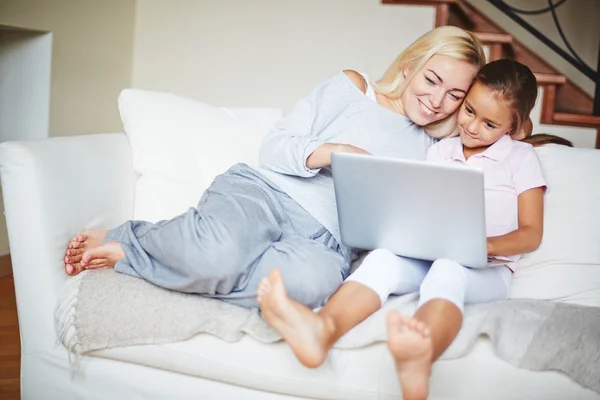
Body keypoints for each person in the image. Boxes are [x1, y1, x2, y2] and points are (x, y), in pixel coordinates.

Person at [63, 26, 485, 310]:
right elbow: (275, 146)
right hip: (264, 195)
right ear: (411, 67)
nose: (437, 101)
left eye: (454, 95)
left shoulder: (438, 148)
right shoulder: (355, 87)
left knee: (308, 289)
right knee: (217, 255)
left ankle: (170, 260)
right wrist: (333, 151)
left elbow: (506, 131)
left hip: (328, 244)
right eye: (432, 80)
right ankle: (131, 242)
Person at [256, 59, 547, 400]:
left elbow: (531, 233)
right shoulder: (439, 151)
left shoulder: (521, 158)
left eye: (490, 124)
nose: (471, 126)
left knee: (448, 269)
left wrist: (478, 245)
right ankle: (323, 330)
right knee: (382, 259)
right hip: (432, 250)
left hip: (489, 266)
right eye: (468, 111)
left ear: (515, 128)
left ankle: (420, 354)